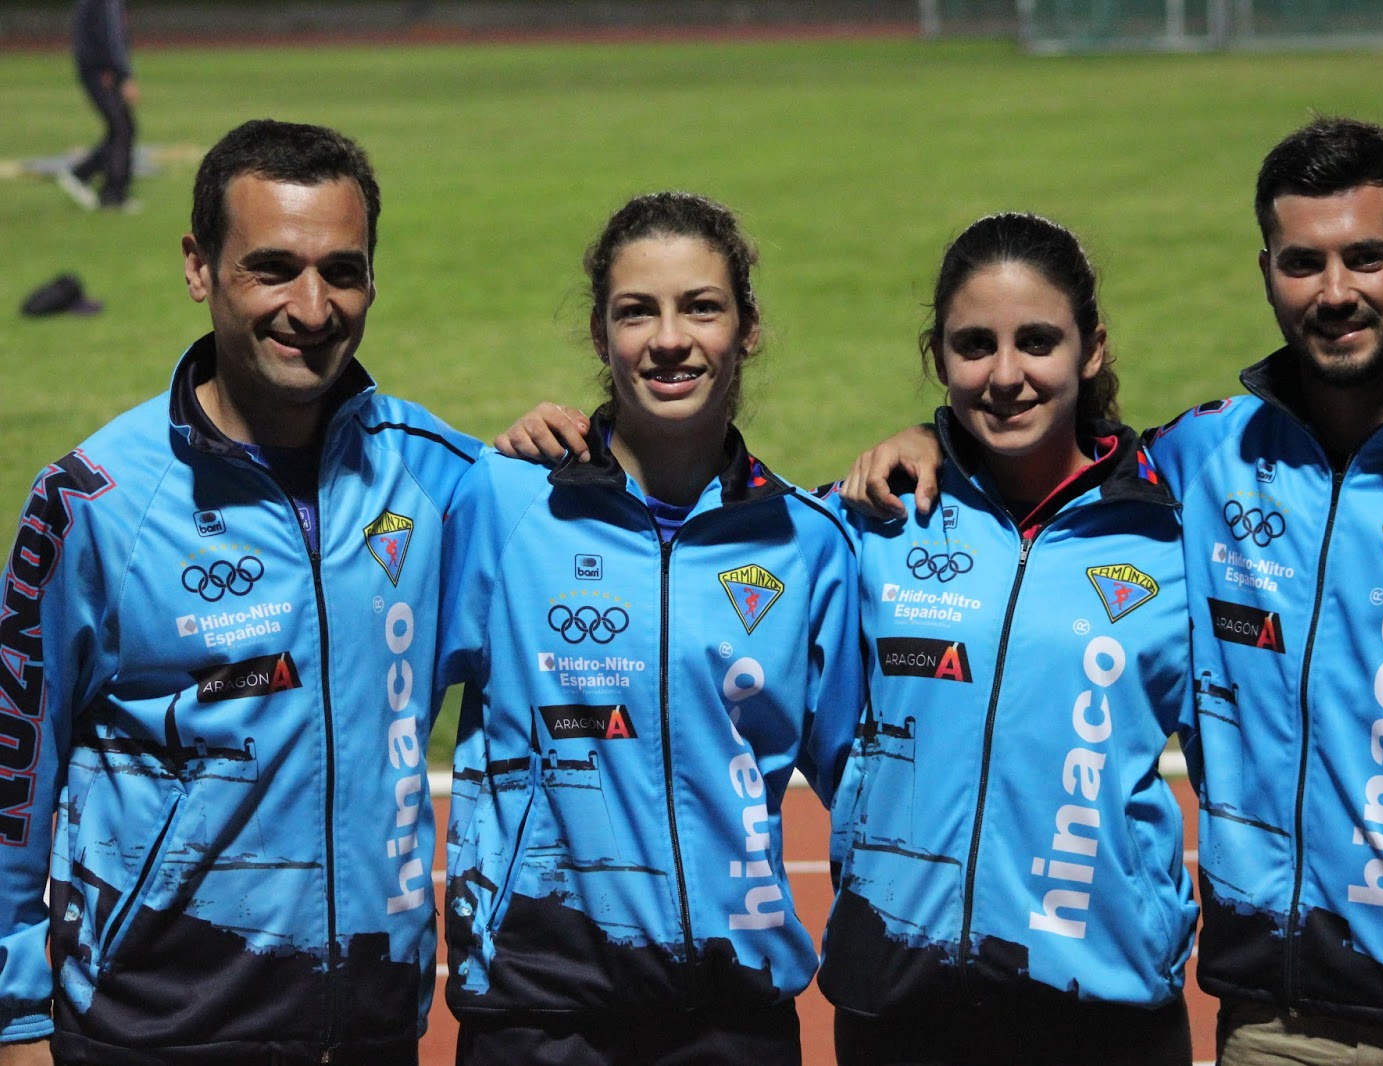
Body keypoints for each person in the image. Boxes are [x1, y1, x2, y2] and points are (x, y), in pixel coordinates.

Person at [845, 118, 1383, 1064]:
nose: (1335, 292)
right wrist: (936, 440)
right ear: (1267, 273)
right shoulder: (1204, 460)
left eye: (1366, 258)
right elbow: (1057, 458)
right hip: (1271, 1021)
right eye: (1302, 262)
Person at [500, 211, 1198, 1065]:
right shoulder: (864, 524)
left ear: (1092, 349)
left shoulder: (1173, 533)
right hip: (901, 1005)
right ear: (937, 357)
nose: (1006, 375)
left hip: (1107, 1010)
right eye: (974, 345)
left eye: (1038, 342)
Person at [0, 118, 480, 1064]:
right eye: (273, 269)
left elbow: (619, 550)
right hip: (152, 1030)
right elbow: (12, 769)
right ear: (199, 267)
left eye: (342, 271)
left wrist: (582, 447)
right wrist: (13, 1019)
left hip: (370, 1029)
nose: (312, 307)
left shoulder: (439, 479)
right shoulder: (94, 505)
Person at [435, 191, 863, 1065]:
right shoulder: (505, 503)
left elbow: (866, 781)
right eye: (637, 312)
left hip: (732, 1018)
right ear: (601, 336)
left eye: (701, 307)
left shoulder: (809, 544)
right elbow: (377, 704)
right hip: (538, 1011)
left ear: (747, 329)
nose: (670, 339)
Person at [57, 0, 138, 212]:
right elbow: (111, 35)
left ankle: (81, 174)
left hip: (98, 69)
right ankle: (112, 195)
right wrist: (121, 74)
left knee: (121, 128)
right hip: (103, 72)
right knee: (122, 129)